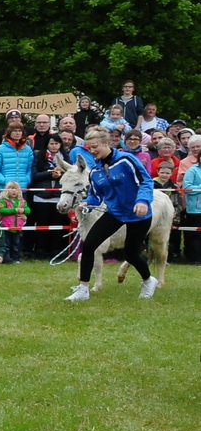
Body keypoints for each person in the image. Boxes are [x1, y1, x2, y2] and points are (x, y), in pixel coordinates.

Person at [65, 127, 156, 302]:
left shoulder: (126, 160)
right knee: (89, 245)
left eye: (95, 146)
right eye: (89, 148)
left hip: (138, 213)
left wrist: (142, 201)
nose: (92, 151)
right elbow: (96, 195)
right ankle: (83, 289)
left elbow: (146, 181)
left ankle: (148, 280)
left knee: (131, 255)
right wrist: (87, 202)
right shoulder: (95, 171)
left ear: (106, 143)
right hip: (115, 212)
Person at [0, 180, 28, 263]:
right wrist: (14, 210)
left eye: (16, 189)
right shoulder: (3, 201)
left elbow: (28, 210)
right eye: (11, 188)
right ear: (6, 190)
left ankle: (16, 258)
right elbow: (2, 210)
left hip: (17, 227)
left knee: (16, 244)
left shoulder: (22, 201)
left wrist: (23, 210)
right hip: (6, 227)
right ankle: (7, 258)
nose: (14, 191)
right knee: (6, 244)